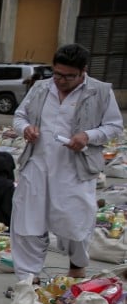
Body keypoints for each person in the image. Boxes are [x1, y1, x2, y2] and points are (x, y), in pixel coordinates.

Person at [12, 43, 123, 281]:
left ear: (83, 71)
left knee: (75, 221)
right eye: (57, 74)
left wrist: (88, 136)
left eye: (69, 76)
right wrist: (26, 128)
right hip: (37, 164)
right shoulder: (41, 88)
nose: (61, 81)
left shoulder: (100, 91)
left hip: (75, 168)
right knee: (27, 220)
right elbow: (20, 116)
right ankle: (28, 278)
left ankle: (76, 265)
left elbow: (114, 126)